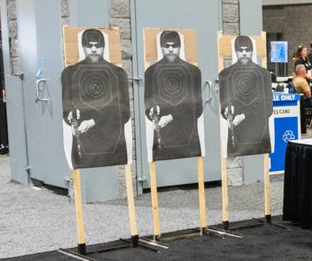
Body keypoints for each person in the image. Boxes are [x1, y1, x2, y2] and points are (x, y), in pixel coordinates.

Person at [60, 28, 132, 168]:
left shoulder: (118, 73)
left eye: (97, 45)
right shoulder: (70, 73)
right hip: (84, 145)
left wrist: (93, 121)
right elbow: (66, 108)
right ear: (83, 46)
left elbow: (124, 112)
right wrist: (70, 114)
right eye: (89, 45)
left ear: (104, 46)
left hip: (113, 142)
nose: (93, 49)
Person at [143, 30, 204, 161]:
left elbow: (197, 108)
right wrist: (152, 113)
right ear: (161, 47)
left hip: (188, 135)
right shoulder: (150, 73)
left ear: (180, 46)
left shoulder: (193, 72)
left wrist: (171, 116)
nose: (170, 49)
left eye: (174, 46)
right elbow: (147, 105)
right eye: (167, 46)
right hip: (163, 137)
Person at [218, 35, 273, 157]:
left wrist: (244, 115)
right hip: (237, 135)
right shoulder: (226, 74)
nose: (244, 53)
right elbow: (223, 103)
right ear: (235, 51)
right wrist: (226, 111)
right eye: (240, 50)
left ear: (252, 50)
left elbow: (268, 108)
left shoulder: (263, 74)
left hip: (258, 134)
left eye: (247, 50)